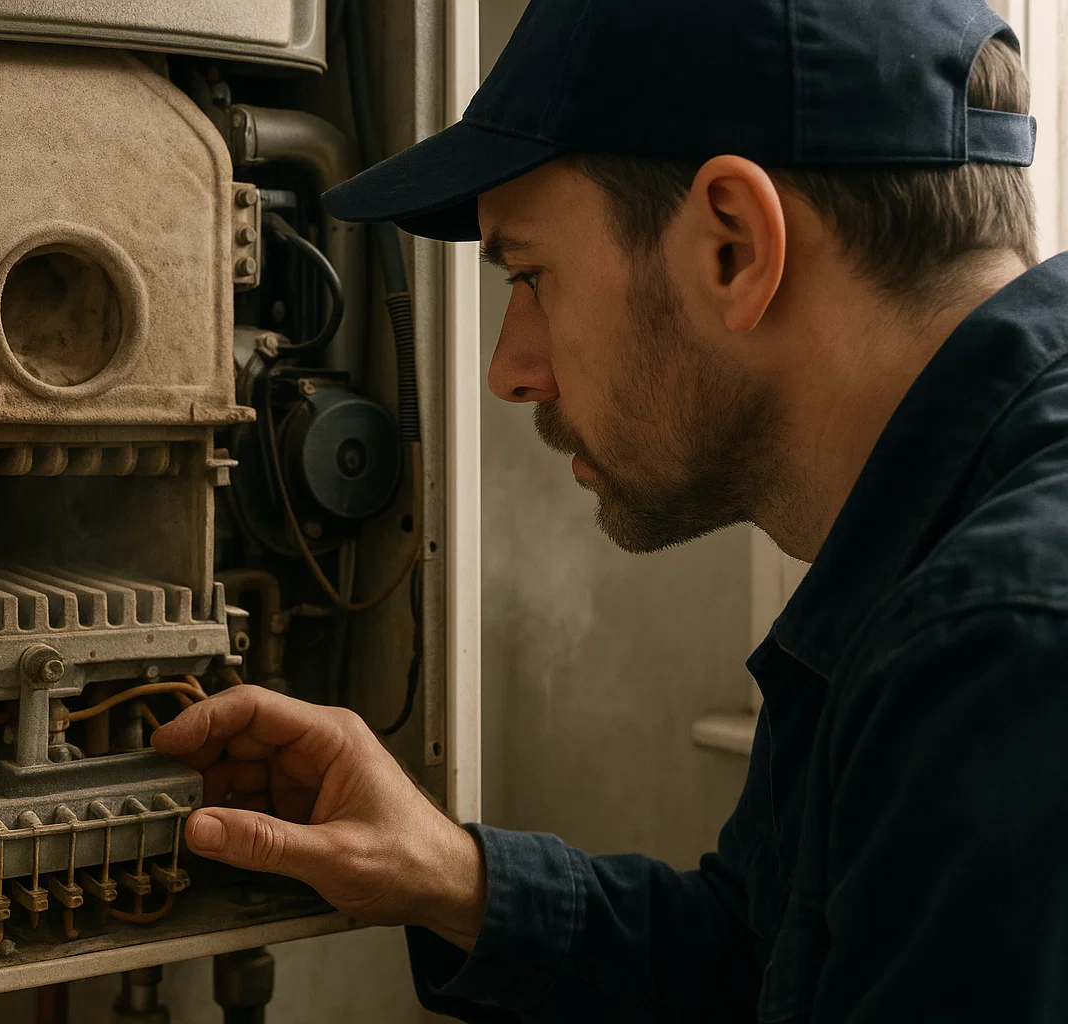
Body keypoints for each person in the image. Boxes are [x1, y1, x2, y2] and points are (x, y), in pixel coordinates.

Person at [154, 0, 1068, 1018]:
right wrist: (451, 876)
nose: (511, 370)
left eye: (532, 274)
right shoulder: (937, 560)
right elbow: (763, 957)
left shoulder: (1008, 645)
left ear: (734, 247)